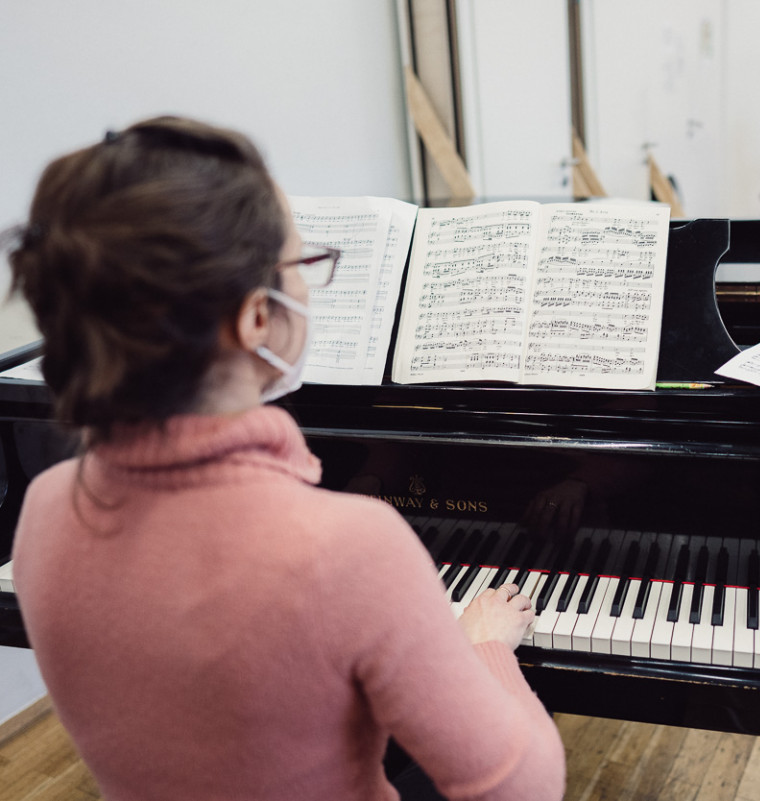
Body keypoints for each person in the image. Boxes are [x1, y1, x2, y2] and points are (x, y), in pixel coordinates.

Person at [5, 116, 565, 801]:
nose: (308, 289)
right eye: (302, 267)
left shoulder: (46, 508)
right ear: (254, 319)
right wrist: (480, 649)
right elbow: (521, 786)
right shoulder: (348, 546)